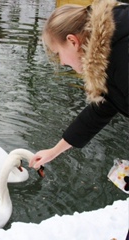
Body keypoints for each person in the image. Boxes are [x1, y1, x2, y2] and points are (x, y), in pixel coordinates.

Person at [29, 0, 129, 170]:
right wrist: (54, 151)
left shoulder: (123, 56)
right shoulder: (110, 51)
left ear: (72, 42)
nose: (61, 62)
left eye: (58, 53)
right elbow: (102, 108)